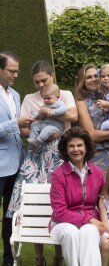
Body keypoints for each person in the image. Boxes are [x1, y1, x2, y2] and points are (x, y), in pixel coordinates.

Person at [7, 61, 78, 266]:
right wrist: (40, 133)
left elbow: (73, 116)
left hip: (59, 154)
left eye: (43, 80)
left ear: (52, 76)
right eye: (36, 82)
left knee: (58, 202)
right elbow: (24, 130)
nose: (40, 85)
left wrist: (49, 113)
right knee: (33, 202)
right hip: (36, 154)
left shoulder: (64, 94)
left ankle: (58, 254)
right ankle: (39, 257)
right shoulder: (29, 98)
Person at [49, 126, 106, 266]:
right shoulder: (58, 175)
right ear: (66, 150)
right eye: (71, 146)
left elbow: (103, 202)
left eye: (80, 145)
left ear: (86, 148)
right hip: (62, 223)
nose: (76, 149)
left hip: (90, 222)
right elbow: (60, 212)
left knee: (90, 231)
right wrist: (89, 219)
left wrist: (101, 223)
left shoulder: (97, 172)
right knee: (71, 232)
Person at [0, 51, 33, 266]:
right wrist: (16, 122)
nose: (15, 75)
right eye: (12, 71)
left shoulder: (16, 94)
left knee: (11, 214)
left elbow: (21, 130)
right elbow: (13, 125)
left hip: (17, 164)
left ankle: (8, 258)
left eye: (17, 71)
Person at [27, 83, 67, 151]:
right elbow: (39, 112)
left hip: (56, 127)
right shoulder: (45, 105)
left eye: (49, 98)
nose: (46, 100)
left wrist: (53, 112)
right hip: (44, 124)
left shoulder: (58, 103)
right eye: (44, 98)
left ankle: (38, 142)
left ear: (57, 97)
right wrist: (34, 116)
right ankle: (32, 141)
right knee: (34, 125)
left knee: (47, 130)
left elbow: (64, 109)